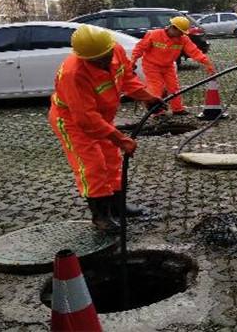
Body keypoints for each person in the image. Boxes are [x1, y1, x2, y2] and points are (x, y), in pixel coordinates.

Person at [49, 25, 163, 232]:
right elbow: (86, 119)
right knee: (92, 165)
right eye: (96, 60)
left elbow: (127, 78)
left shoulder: (114, 50)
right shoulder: (73, 74)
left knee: (111, 160)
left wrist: (147, 97)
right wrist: (120, 139)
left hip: (101, 117)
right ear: (83, 57)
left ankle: (118, 207)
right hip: (73, 122)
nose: (103, 62)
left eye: (105, 56)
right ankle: (101, 216)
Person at [131, 16, 216, 115]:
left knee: (174, 88)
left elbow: (194, 52)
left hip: (168, 66)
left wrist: (207, 63)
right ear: (173, 27)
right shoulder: (154, 34)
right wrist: (132, 61)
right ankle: (157, 112)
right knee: (155, 87)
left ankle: (177, 109)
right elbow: (139, 48)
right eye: (180, 31)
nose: (181, 34)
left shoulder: (183, 39)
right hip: (151, 66)